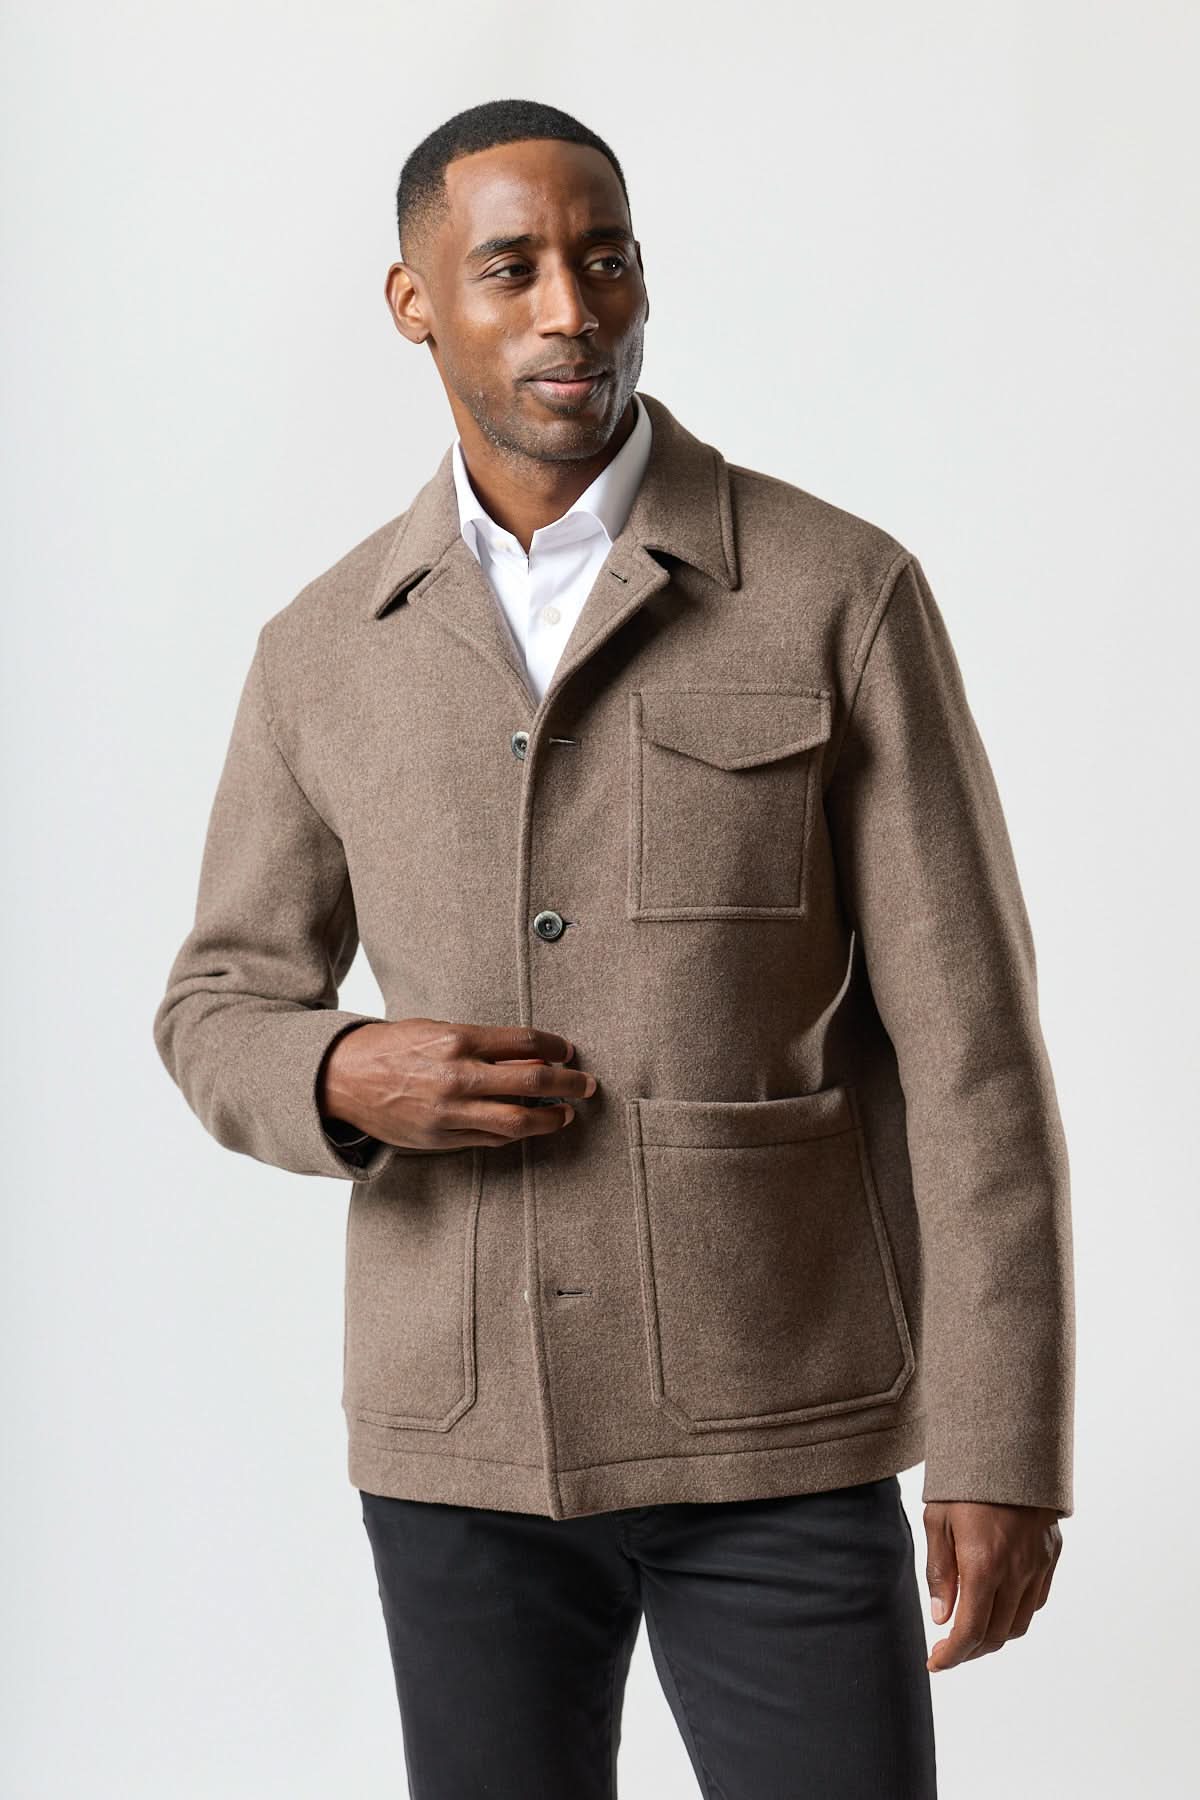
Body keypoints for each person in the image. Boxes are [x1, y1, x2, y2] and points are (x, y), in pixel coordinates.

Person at [152, 96, 1075, 1799]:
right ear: (415, 302)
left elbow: (973, 1056)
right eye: (512, 269)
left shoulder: (836, 590)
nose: (573, 310)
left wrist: (1002, 1439)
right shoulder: (321, 650)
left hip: (782, 1418)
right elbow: (216, 1001)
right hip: (456, 1439)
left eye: (608, 259)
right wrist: (341, 1071)